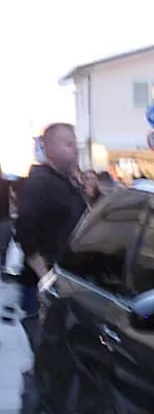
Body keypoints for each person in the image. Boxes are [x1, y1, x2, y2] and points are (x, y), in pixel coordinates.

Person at [14, 123, 89, 320]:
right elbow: (25, 229)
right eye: (69, 144)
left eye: (75, 144)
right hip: (44, 284)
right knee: (46, 343)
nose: (75, 150)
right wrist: (44, 276)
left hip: (68, 280)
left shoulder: (67, 183)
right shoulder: (40, 183)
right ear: (51, 149)